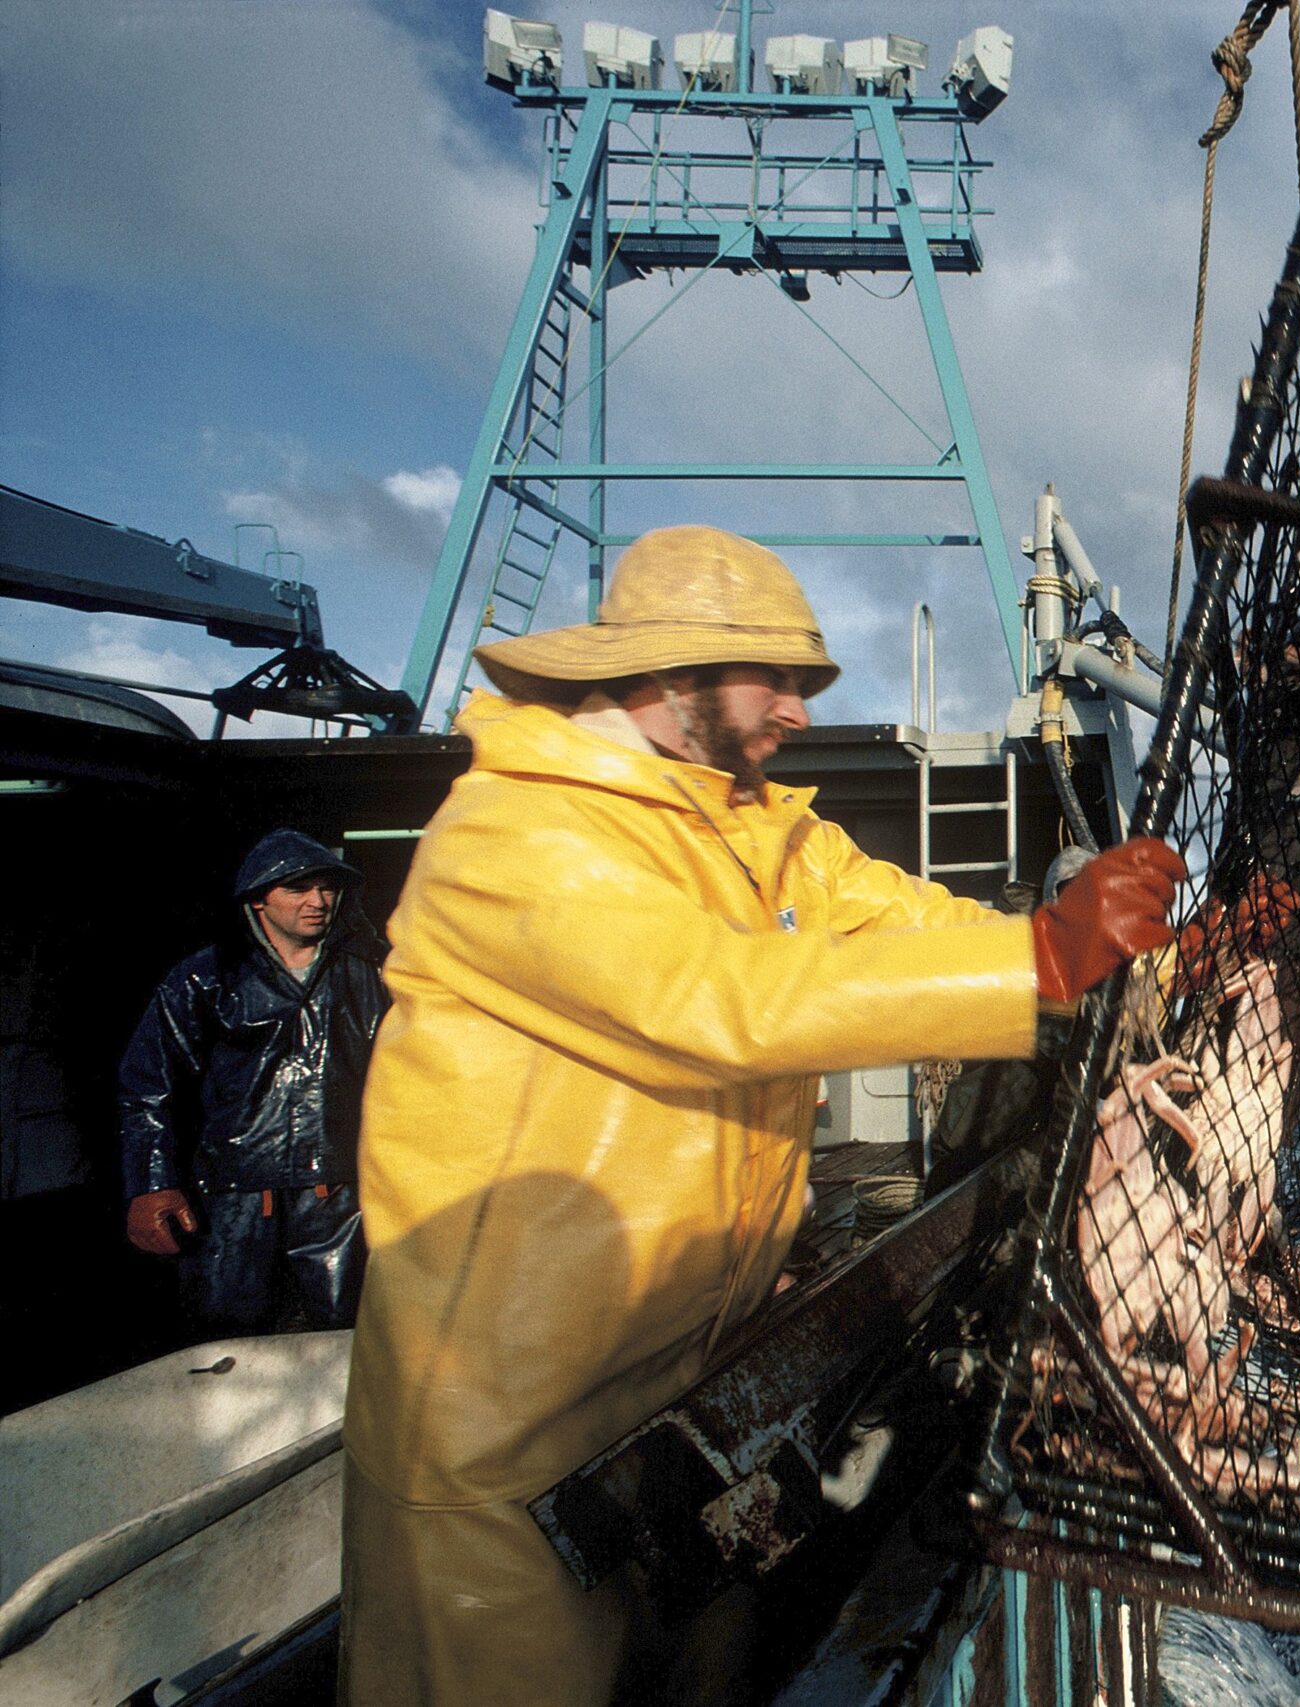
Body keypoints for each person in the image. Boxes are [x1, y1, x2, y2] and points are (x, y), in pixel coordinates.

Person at [338, 525, 1185, 1705]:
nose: (797, 708)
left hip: (681, 1406)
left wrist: (1102, 936)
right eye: (774, 678)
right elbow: (721, 1002)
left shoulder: (760, 831)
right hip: (500, 1457)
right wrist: (1034, 964)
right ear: (667, 672)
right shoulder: (515, 838)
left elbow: (901, 921)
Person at [116, 829, 388, 1336]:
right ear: (259, 898)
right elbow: (149, 1086)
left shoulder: (375, 974)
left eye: (327, 888)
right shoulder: (204, 978)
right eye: (298, 889)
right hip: (231, 1192)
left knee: (344, 1336)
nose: (318, 902)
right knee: (226, 1335)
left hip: (341, 1191)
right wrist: (152, 1185)